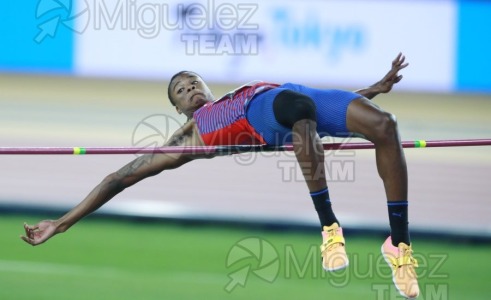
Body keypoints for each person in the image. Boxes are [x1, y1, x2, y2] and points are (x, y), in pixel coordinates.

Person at [21, 53, 419, 299]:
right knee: (299, 111)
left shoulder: (236, 92)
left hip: (298, 98)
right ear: (179, 110)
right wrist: (61, 222)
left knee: (385, 126)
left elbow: (317, 102)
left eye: (193, 81)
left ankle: (398, 247)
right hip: (281, 110)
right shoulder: (191, 135)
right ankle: (330, 228)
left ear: (207, 85)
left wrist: (373, 88)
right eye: (180, 90)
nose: (189, 87)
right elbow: (119, 177)